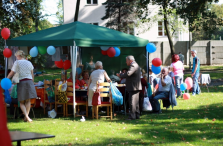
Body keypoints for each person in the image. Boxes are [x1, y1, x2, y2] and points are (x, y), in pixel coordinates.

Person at [7, 50, 37, 122]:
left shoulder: (16, 62)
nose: (16, 58)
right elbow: (32, 74)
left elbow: (12, 73)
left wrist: (6, 78)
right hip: (29, 82)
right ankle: (26, 117)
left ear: (18, 56)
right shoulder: (29, 62)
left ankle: (26, 117)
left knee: (21, 101)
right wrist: (32, 82)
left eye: (16, 56)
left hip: (21, 82)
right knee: (28, 101)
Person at [116, 55, 142, 120]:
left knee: (132, 102)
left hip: (133, 86)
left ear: (130, 61)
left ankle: (132, 116)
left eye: (126, 61)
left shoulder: (133, 65)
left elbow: (128, 73)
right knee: (136, 102)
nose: (126, 62)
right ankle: (137, 115)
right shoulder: (136, 65)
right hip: (135, 86)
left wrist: (120, 75)